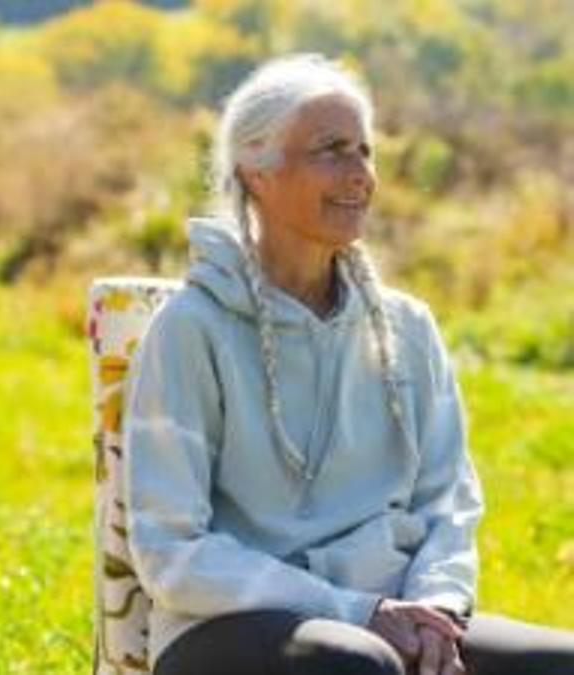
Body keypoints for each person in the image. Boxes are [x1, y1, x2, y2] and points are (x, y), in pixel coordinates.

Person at [123, 54, 574, 675]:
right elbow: (171, 552)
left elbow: (447, 505)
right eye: (331, 150)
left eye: (365, 151)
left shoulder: (407, 328)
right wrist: (356, 610)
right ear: (256, 171)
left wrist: (433, 611)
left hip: (388, 616)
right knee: (356, 664)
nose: (360, 173)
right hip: (225, 632)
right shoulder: (192, 329)